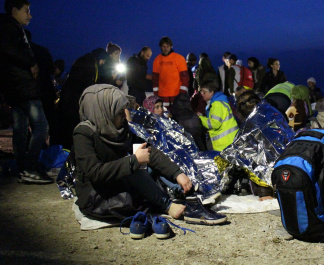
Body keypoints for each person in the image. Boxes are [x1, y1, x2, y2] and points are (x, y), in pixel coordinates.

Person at [73, 84, 226, 224]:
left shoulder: (119, 128)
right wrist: (133, 161)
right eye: (118, 110)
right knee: (134, 166)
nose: (123, 114)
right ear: (103, 111)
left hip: (115, 185)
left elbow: (150, 152)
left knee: (145, 165)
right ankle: (168, 206)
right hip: (97, 197)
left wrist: (177, 173)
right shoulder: (84, 133)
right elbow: (95, 173)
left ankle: (184, 194)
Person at [0, 0, 51, 183]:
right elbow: (9, 51)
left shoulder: (10, 27)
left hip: (14, 88)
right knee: (42, 126)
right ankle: (29, 167)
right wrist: (31, 63)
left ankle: (21, 168)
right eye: (27, 11)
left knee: (20, 129)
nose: (30, 15)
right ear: (14, 11)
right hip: (22, 87)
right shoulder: (10, 29)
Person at [56, 48, 109, 149]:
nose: (103, 64)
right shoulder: (90, 63)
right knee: (70, 126)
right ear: (100, 58)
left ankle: (65, 148)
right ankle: (67, 150)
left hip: (70, 97)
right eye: (103, 61)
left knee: (67, 125)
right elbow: (87, 84)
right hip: (72, 99)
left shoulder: (86, 60)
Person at [197, 80, 239, 151]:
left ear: (211, 92)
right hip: (229, 141)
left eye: (204, 92)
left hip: (225, 143)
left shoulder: (217, 104)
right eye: (201, 91)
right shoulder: (219, 102)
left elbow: (214, 124)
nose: (202, 94)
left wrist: (201, 118)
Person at [152, 36, 189, 108]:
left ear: (171, 46)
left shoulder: (179, 58)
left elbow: (185, 77)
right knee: (164, 116)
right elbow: (155, 79)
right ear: (160, 47)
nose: (165, 49)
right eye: (163, 46)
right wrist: (156, 93)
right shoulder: (157, 60)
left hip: (177, 94)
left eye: (167, 46)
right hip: (162, 95)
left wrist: (182, 92)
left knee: (177, 115)